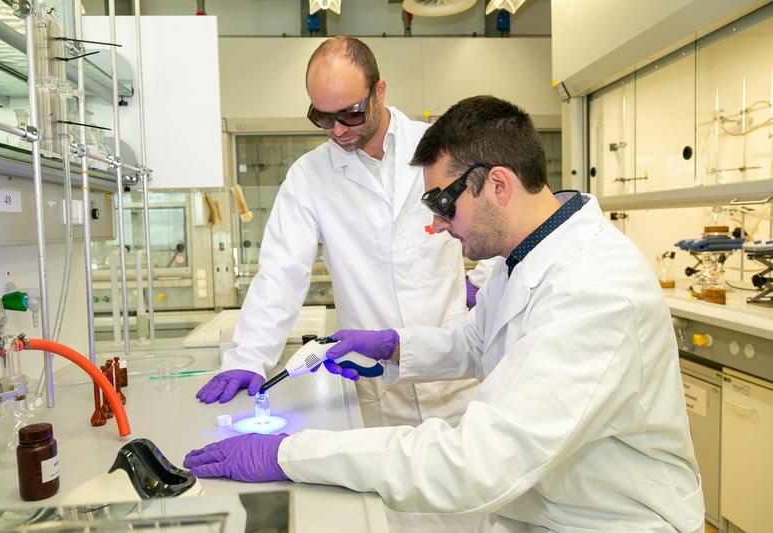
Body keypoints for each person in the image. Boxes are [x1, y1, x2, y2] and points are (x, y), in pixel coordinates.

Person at [184, 95, 705, 532]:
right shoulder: (521, 257)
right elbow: (477, 345)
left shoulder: (595, 291)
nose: (436, 226)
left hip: (611, 520)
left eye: (442, 204)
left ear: (497, 184)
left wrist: (288, 455)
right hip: (543, 503)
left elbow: (477, 462)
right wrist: (394, 346)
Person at [196, 36, 495, 429]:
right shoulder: (309, 176)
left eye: (350, 114)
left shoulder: (442, 148)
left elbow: (500, 224)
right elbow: (281, 273)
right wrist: (249, 356)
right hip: (378, 385)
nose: (336, 130)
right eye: (322, 117)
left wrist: (485, 285)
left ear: (379, 91)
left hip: (458, 379)